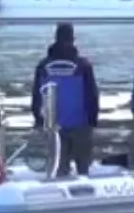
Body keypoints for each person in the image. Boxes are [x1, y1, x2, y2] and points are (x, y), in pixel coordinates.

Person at [31, 22, 100, 177]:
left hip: (54, 125)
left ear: (55, 37)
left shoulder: (42, 65)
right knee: (83, 166)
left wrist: (38, 119)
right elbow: (92, 95)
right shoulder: (83, 65)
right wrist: (93, 119)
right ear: (73, 38)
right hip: (80, 122)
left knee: (59, 167)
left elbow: (37, 95)